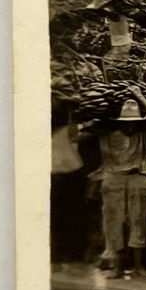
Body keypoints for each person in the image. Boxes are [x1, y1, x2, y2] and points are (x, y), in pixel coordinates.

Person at [83, 90, 146, 278]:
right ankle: (117, 267)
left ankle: (137, 266)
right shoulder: (105, 133)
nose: (131, 126)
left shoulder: (141, 133)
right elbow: (86, 127)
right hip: (112, 178)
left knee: (138, 220)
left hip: (137, 177)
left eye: (134, 122)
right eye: (127, 123)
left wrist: (140, 96)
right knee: (113, 222)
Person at [51, 99, 87, 265]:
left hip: (57, 175)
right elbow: (77, 135)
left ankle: (59, 253)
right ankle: (73, 253)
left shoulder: (50, 131)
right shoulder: (69, 129)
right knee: (74, 215)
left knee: (58, 216)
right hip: (71, 174)